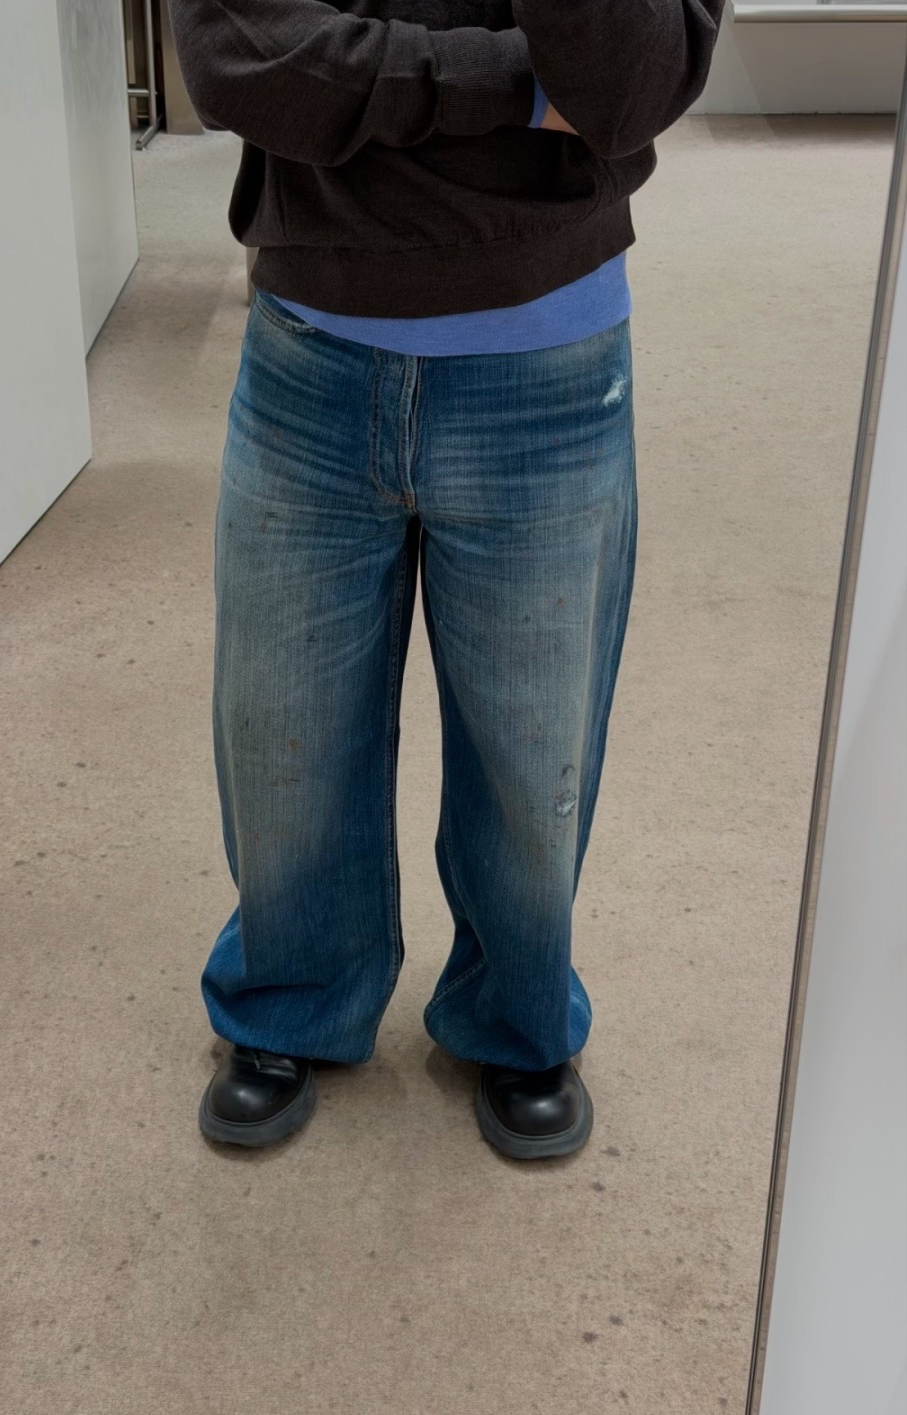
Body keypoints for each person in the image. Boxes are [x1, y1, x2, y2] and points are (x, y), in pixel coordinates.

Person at [168, 0, 724, 1157]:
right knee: (283, 738)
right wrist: (519, 90)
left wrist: (422, 89)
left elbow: (630, 89)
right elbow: (238, 56)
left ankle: (518, 1013)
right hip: (311, 345)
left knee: (533, 754)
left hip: (547, 355)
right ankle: (291, 993)